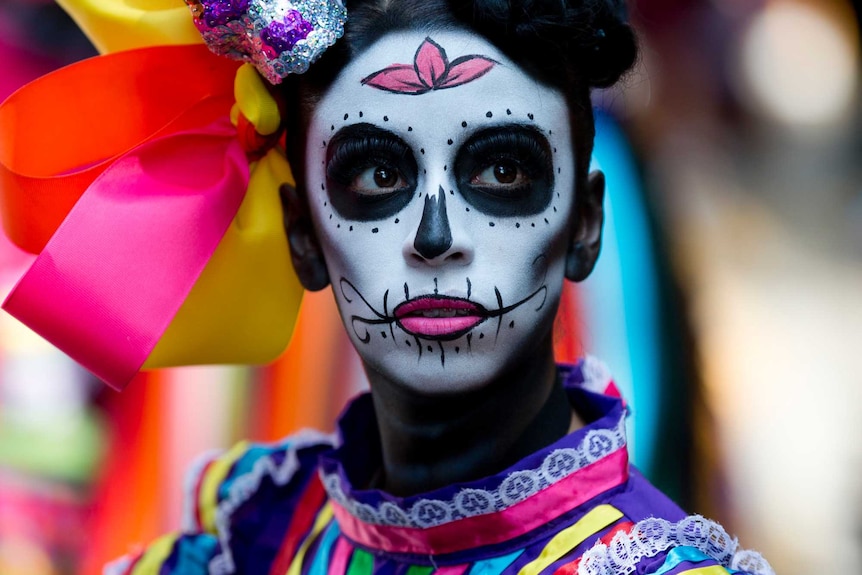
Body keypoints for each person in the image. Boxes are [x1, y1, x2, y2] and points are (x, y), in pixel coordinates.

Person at [2, 0, 775, 573]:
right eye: (378, 174)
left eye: (501, 171)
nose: (436, 237)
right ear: (304, 233)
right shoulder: (254, 538)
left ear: (584, 225)